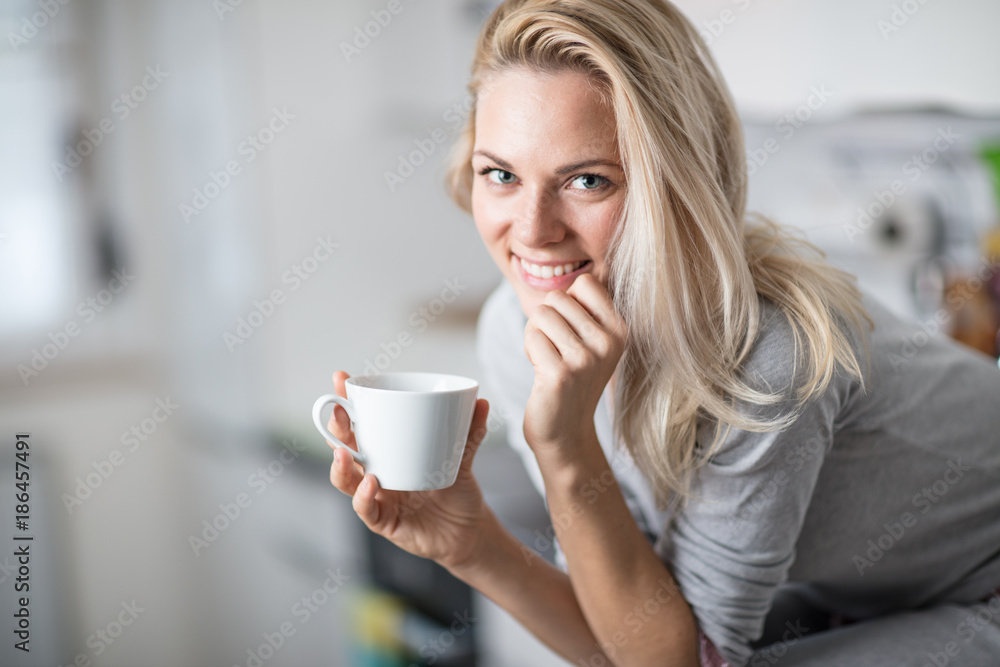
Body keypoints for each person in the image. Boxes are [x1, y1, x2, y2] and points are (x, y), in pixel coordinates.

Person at [328, 1, 1000, 664]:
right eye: (500, 174)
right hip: (870, 592)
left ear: (673, 183)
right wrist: (472, 545)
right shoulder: (515, 332)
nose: (532, 230)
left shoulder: (769, 354)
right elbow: (630, 631)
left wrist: (563, 446)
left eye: (587, 180)